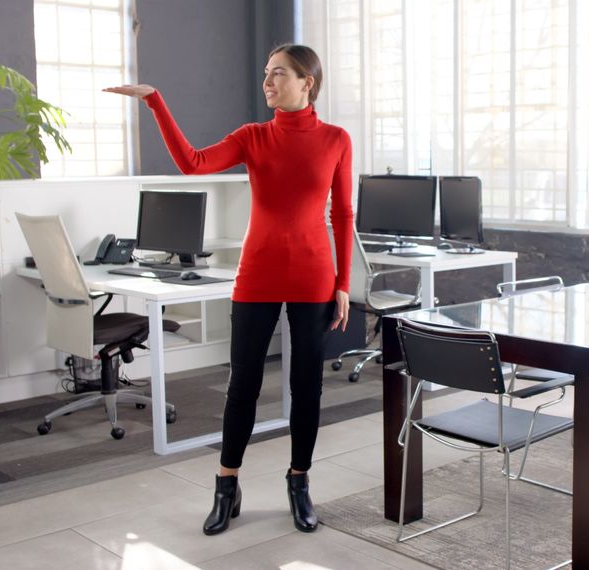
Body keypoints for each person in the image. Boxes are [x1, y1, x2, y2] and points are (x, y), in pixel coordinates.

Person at [104, 44, 352, 536]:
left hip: (313, 279)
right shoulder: (253, 137)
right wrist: (156, 101)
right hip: (257, 276)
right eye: (266, 73)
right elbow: (193, 163)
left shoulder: (336, 139)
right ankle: (226, 483)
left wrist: (344, 283)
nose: (268, 82)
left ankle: (299, 481)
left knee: (307, 389)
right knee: (243, 386)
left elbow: (342, 214)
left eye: (278, 74)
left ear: (308, 82)